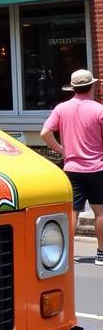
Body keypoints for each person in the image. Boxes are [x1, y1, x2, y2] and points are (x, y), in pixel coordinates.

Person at [41, 67, 103, 265]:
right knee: (100, 212)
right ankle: (101, 253)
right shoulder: (99, 109)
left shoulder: (61, 108)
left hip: (72, 167)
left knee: (73, 211)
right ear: (92, 86)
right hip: (97, 167)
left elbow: (45, 133)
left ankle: (66, 252)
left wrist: (61, 149)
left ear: (73, 88)